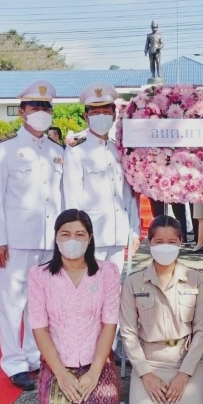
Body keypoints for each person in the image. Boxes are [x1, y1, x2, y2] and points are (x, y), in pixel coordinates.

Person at [17, 209, 121, 404]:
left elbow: (109, 324)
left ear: (90, 238)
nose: (72, 240)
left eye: (79, 234)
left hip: (96, 363)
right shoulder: (39, 275)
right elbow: (39, 327)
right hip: (58, 365)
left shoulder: (107, 273)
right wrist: (62, 375)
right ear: (55, 238)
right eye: (65, 234)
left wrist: (94, 373)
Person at [0, 81, 65, 390]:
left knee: (42, 302)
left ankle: (35, 355)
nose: (41, 112)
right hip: (15, 239)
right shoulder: (4, 147)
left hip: (49, 239)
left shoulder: (56, 151)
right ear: (22, 112)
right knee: (11, 302)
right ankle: (14, 361)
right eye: (35, 107)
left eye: (46, 107)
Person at [120, 216, 203, 404]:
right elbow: (128, 333)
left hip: (185, 361)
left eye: (171, 241)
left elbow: (202, 330)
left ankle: (188, 399)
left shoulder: (196, 279)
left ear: (180, 243)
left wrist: (183, 375)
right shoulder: (134, 282)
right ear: (149, 243)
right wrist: (146, 374)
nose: (165, 247)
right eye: (158, 241)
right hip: (149, 362)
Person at [63, 83, 140, 272]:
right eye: (95, 113)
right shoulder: (76, 150)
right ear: (85, 116)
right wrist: (75, 236)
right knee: (89, 291)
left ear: (114, 115)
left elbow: (128, 197)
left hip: (118, 233)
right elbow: (72, 199)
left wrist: (134, 231)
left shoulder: (119, 148)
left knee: (115, 290)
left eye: (106, 112)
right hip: (91, 236)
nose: (101, 117)